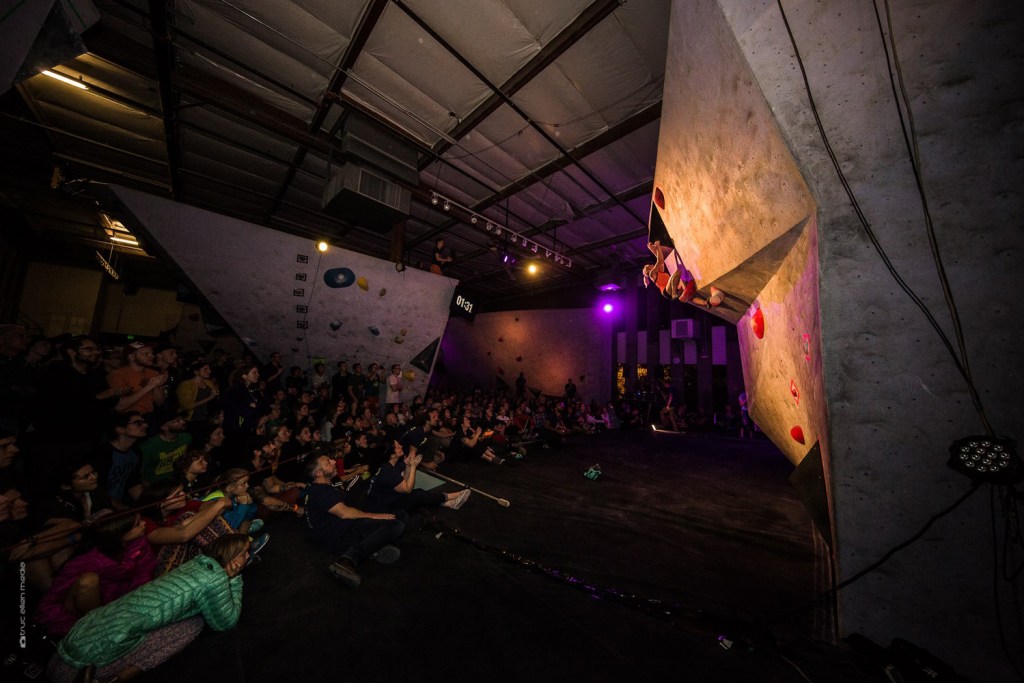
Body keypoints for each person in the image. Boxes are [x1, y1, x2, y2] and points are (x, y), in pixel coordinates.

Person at [47, 533, 250, 683]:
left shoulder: (197, 563)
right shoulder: (214, 579)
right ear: (231, 557)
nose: (247, 557)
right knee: (192, 626)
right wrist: (234, 579)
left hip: (75, 639)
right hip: (84, 664)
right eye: (244, 554)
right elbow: (226, 622)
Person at [35, 512, 157, 638]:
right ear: (121, 535)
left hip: (116, 607)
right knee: (89, 580)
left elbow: (144, 575)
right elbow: (49, 605)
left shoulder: (138, 544)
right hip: (82, 617)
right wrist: (74, 629)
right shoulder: (86, 562)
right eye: (137, 524)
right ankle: (98, 631)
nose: (144, 523)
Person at [304, 454, 404, 588]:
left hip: (341, 530)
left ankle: (373, 547)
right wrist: (375, 516)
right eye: (328, 462)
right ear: (319, 473)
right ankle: (348, 559)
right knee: (396, 524)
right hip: (338, 537)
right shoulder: (320, 491)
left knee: (398, 515)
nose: (334, 462)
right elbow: (345, 513)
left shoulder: (319, 488)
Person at [364, 441, 470, 514]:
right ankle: (452, 497)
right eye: (397, 447)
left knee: (419, 493)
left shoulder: (391, 464)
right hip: (382, 509)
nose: (401, 446)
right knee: (416, 495)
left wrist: (408, 465)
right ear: (391, 455)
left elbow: (403, 481)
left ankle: (448, 503)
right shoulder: (387, 470)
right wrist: (414, 466)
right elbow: (407, 489)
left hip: (389, 499)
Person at [106, 342, 168, 417]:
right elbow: (119, 406)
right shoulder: (118, 374)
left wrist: (156, 386)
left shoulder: (153, 373)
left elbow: (159, 402)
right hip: (127, 419)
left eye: (151, 353)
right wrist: (149, 386)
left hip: (148, 417)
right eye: (146, 354)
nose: (152, 356)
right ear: (131, 357)